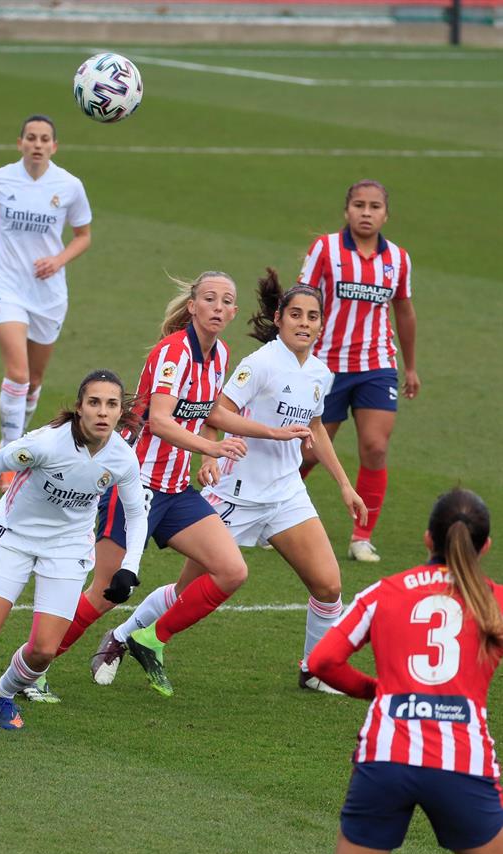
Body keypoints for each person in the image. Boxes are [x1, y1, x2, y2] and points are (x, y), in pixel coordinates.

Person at [91, 269, 368, 695]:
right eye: (296, 314)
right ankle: (123, 636)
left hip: (286, 493)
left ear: (321, 324)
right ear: (279, 318)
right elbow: (213, 411)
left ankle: (314, 669)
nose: (304, 323)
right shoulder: (258, 365)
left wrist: (345, 485)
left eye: (312, 317)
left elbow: (315, 428)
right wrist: (208, 451)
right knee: (188, 589)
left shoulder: (319, 373)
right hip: (236, 492)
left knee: (329, 584)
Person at [51, 270, 313, 697]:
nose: (218, 306)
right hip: (136, 489)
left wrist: (274, 432)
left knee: (231, 570)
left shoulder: (220, 354)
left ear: (232, 313)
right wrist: (211, 451)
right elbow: (160, 420)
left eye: (226, 301)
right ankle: (35, 666)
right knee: (105, 591)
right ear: (193, 306)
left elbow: (212, 413)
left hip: (175, 491)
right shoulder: (174, 354)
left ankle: (147, 638)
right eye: (209, 298)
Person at [0, 370, 147, 731]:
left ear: (118, 411)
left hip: (67, 549)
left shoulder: (123, 458)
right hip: (12, 537)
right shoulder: (47, 444)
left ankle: (2, 695)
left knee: (44, 651)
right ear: (80, 407)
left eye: (111, 404)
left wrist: (129, 567)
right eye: (94, 402)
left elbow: (136, 514)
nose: (102, 411)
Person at [307, 488, 503, 854]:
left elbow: (322, 662)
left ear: (428, 539)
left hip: (384, 760)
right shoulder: (495, 601)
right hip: (462, 763)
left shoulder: (384, 592)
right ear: (484, 546)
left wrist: (374, 691)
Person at [0, 114, 92, 492]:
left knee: (34, 381)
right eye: (31, 137)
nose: (37, 143)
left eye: (44, 138)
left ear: (54, 146)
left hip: (48, 295)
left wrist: (59, 260)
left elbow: (83, 236)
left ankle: (7, 440)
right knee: (17, 374)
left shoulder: (69, 186)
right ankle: (10, 458)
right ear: (20, 143)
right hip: (5, 286)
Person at [298, 179, 420, 563]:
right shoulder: (325, 249)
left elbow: (404, 310)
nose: (366, 213)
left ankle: (361, 536)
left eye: (374, 207)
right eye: (359, 205)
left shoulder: (398, 259)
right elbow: (300, 300)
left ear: (386, 213)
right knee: (309, 451)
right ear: (346, 210)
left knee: (376, 447)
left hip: (377, 366)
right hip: (325, 366)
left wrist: (411, 366)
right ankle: (271, 512)